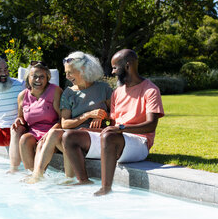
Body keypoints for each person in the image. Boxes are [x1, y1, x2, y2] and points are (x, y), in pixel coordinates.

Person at [62, 49, 165, 195]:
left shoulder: (150, 90)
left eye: (115, 67)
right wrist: (94, 130)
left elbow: (151, 125)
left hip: (139, 143)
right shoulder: (117, 92)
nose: (112, 72)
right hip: (116, 138)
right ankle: (83, 180)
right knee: (70, 136)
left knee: (109, 136)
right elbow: (113, 126)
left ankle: (106, 188)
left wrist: (120, 129)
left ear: (128, 66)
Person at [28, 52, 112, 183]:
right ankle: (38, 175)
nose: (67, 76)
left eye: (70, 72)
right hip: (72, 138)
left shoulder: (104, 88)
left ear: (83, 70)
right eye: (66, 72)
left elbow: (115, 115)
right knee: (55, 133)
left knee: (67, 139)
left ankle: (69, 179)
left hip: (92, 139)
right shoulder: (69, 93)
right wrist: (88, 115)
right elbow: (65, 124)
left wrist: (102, 116)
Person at [8, 61, 63, 172]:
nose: (38, 80)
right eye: (35, 76)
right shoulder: (22, 95)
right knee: (24, 140)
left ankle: (38, 175)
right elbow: (21, 117)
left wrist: (50, 134)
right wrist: (18, 120)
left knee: (41, 145)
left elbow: (62, 118)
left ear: (47, 78)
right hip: (33, 132)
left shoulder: (55, 91)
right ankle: (31, 174)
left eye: (42, 77)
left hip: (53, 131)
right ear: (28, 78)